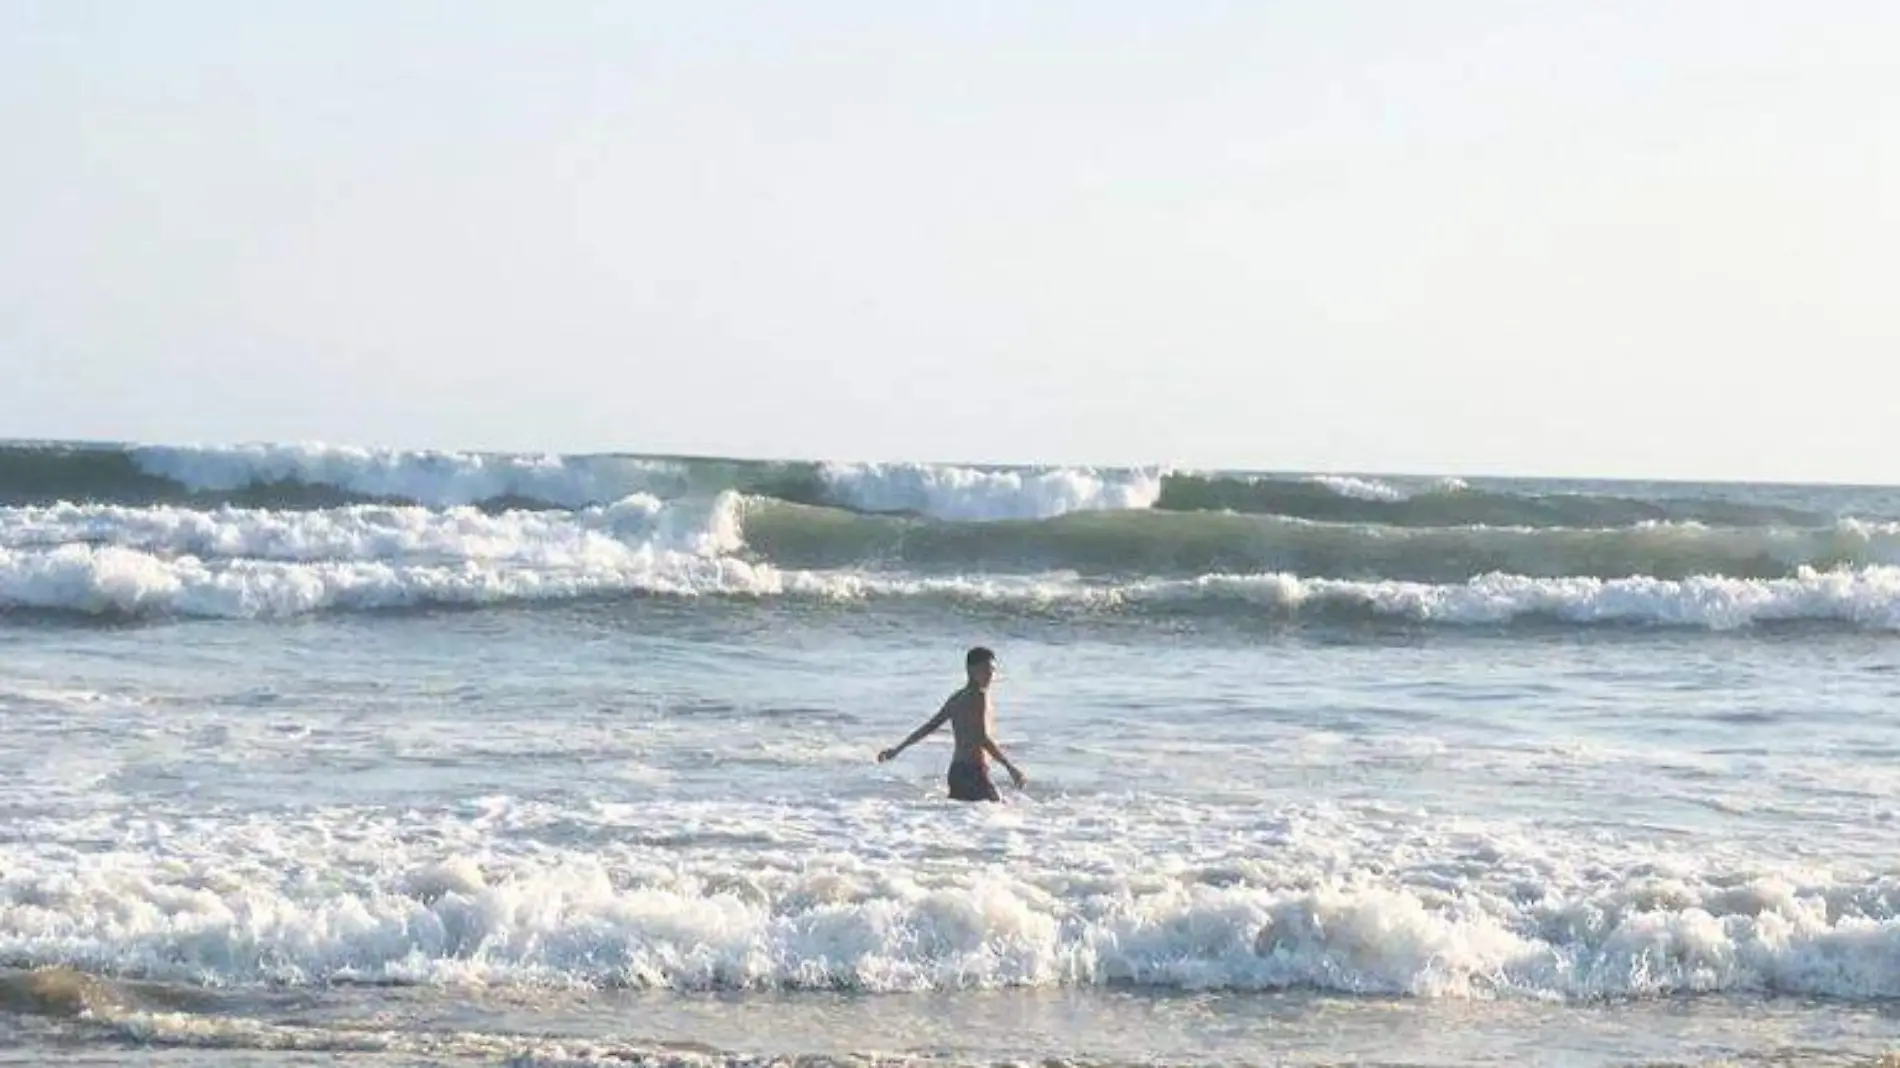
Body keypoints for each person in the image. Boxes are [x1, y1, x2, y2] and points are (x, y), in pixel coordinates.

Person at [877, 646, 1027, 801]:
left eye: (993, 671)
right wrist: (1010, 768)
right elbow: (981, 737)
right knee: (998, 814)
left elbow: (929, 727)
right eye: (985, 670)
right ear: (970, 670)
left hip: (956, 772)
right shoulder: (978, 696)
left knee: (966, 819)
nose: (990, 675)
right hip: (974, 770)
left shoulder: (957, 697)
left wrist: (897, 750)